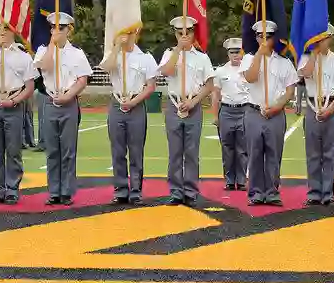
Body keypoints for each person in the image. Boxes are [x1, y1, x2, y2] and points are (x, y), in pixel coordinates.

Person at [35, 12, 92, 205]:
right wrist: (52, 44)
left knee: (68, 150)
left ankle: (66, 191)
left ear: (69, 30)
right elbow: (45, 66)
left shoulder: (77, 53)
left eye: (61, 28)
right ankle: (53, 191)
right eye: (53, 28)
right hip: (50, 102)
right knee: (52, 150)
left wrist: (68, 95)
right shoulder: (44, 50)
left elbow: (82, 79)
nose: (56, 31)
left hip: (68, 103)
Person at [159, 16, 215, 206]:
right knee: (175, 151)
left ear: (193, 33)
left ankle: (190, 191)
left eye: (188, 32)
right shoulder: (169, 53)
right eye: (180, 32)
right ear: (175, 34)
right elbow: (166, 71)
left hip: (194, 105)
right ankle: (176, 191)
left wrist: (195, 101)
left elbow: (209, 85)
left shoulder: (202, 57)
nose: (184, 36)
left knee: (191, 152)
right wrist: (178, 50)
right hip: (174, 106)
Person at [241, 20, 298, 206]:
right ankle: (256, 193)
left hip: (275, 113)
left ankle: (272, 192)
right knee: (254, 154)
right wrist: (259, 55)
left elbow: (290, 90)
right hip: (254, 111)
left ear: (274, 38)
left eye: (268, 36)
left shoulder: (284, 62)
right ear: (256, 38)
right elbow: (250, 78)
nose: (264, 40)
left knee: (274, 154)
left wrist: (277, 107)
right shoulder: (249, 58)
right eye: (260, 36)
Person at [0, 23, 36, 204]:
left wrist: (14, 101)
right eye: (0, 28)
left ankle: (12, 188)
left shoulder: (23, 56)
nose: (3, 32)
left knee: (13, 149)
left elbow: (30, 87)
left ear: (14, 31)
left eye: (7, 28)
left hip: (14, 102)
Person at [99, 28, 158, 205]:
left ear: (136, 33)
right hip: (117, 104)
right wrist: (117, 47)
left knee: (136, 150)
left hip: (136, 105)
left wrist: (134, 102)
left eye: (130, 32)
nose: (126, 35)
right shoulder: (113, 55)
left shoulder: (145, 58)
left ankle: (136, 191)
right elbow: (105, 69)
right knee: (117, 151)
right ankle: (120, 190)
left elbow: (150, 86)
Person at [297, 25, 334, 206]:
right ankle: (314, 192)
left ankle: (328, 193)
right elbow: (306, 74)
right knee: (312, 153)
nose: (321, 42)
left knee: (329, 153)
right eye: (318, 39)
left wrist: (331, 108)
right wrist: (314, 54)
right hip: (312, 107)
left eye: (324, 39)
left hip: (331, 107)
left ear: (330, 39)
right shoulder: (305, 58)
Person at [211, 37, 250, 191]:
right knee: (227, 147)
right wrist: (215, 116)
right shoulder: (220, 71)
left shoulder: (248, 70)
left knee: (242, 148)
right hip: (226, 111)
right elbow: (215, 95)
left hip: (245, 110)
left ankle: (241, 181)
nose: (235, 55)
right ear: (227, 53)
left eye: (238, 52)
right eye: (232, 52)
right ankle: (229, 180)